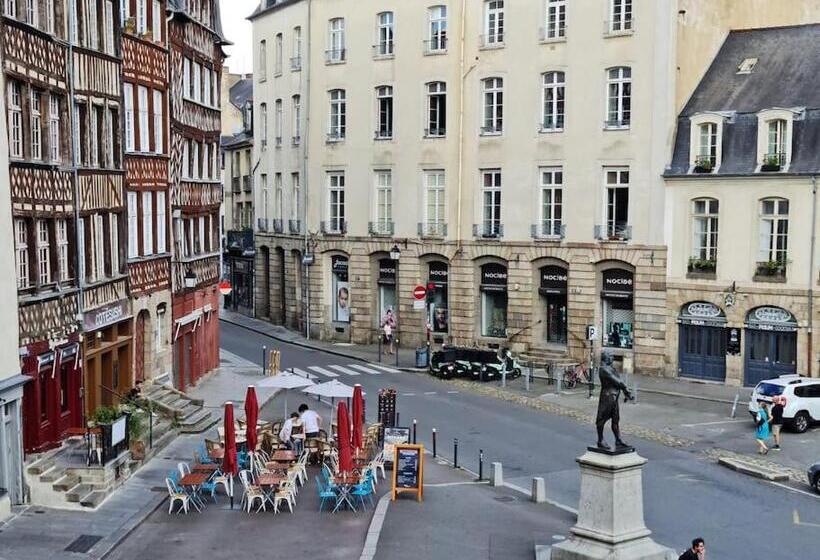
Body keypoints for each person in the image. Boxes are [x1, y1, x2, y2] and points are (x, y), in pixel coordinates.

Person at [595, 350, 634, 451]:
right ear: (606, 357)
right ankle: (600, 440)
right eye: (611, 356)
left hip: (614, 397)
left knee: (616, 419)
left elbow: (618, 382)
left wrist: (625, 392)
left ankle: (618, 440)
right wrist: (626, 389)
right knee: (601, 419)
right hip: (607, 397)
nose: (612, 358)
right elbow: (618, 381)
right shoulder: (604, 369)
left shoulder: (610, 368)